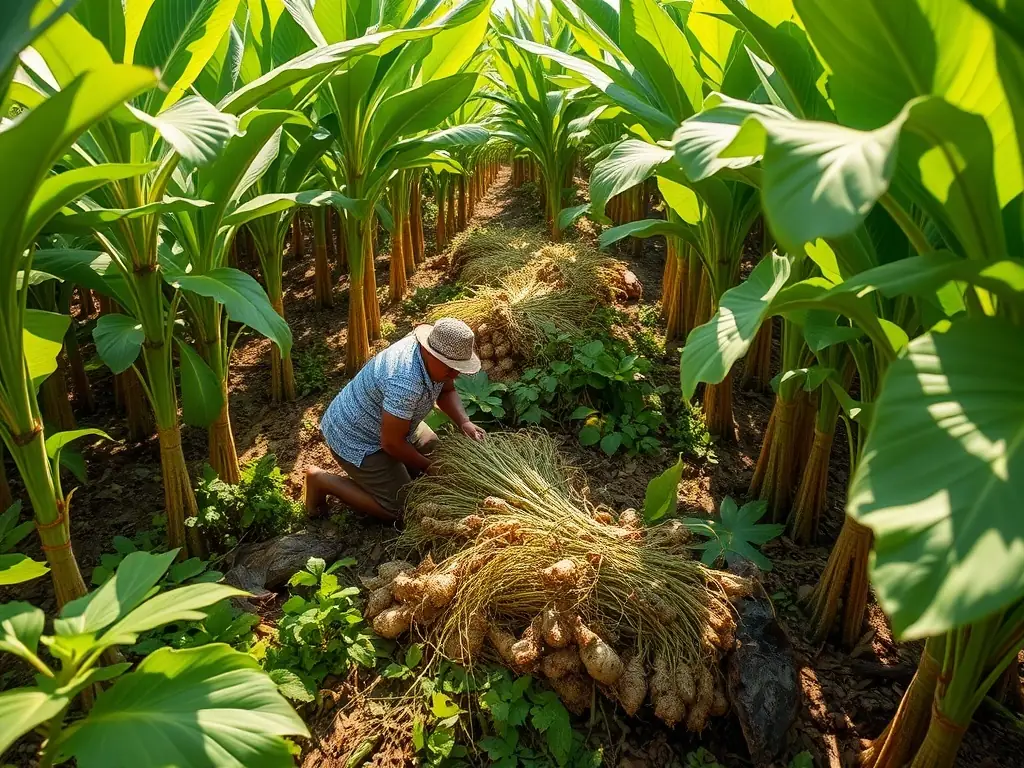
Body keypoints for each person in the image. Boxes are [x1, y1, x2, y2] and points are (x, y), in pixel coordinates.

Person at [304, 317, 486, 522]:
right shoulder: (404, 381)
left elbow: (446, 391)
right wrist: (426, 467)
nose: (453, 374)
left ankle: (400, 467)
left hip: (399, 423)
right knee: (400, 510)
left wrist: (464, 422)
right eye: (449, 368)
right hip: (356, 437)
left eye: (457, 368)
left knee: (442, 458)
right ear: (428, 352)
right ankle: (321, 480)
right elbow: (390, 442)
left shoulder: (436, 360)